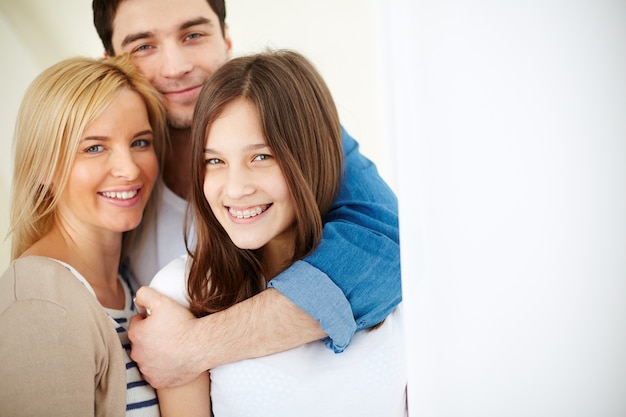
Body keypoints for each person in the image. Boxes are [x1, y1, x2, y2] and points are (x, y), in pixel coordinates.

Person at [92, 0, 402, 388]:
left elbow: (387, 252)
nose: (176, 67)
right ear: (111, 63)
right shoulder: (108, 173)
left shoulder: (299, 135)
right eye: (143, 47)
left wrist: (194, 344)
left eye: (193, 35)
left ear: (226, 39)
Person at [151, 49, 407, 416]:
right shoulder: (181, 291)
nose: (235, 188)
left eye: (261, 157)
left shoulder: (388, 280)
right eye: (215, 161)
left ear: (310, 156)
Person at [0, 56, 171, 416]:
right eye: (94, 147)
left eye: (140, 142)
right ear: (43, 166)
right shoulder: (40, 305)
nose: (128, 169)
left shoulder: (128, 281)